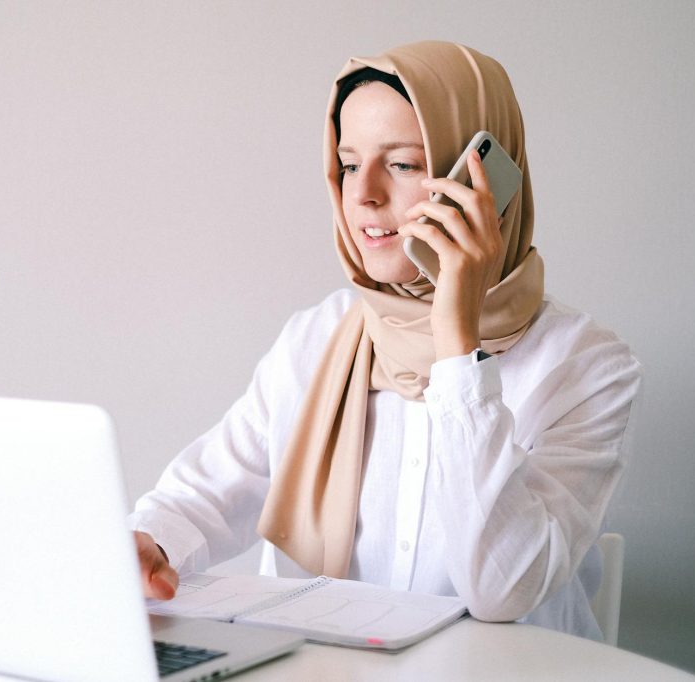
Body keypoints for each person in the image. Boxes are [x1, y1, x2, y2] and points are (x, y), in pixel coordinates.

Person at [128, 41, 641, 640]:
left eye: (401, 163)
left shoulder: (588, 366)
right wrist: (147, 541)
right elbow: (208, 490)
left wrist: (458, 345)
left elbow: (505, 586)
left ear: (485, 180)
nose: (363, 193)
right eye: (348, 164)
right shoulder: (316, 337)